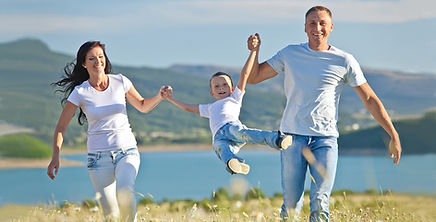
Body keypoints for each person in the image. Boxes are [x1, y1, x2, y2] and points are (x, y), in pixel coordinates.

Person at [246, 6, 402, 221]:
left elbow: (369, 99)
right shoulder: (290, 53)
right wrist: (254, 52)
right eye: (312, 23)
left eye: (322, 23)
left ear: (331, 27)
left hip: (326, 140)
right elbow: (254, 77)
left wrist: (393, 134)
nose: (317, 28)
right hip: (291, 138)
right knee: (292, 203)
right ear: (304, 27)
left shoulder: (344, 60)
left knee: (320, 200)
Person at [47, 41, 165, 221]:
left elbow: (142, 106)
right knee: (110, 214)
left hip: (127, 151)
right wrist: (55, 156)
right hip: (97, 158)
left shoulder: (120, 81)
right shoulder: (80, 92)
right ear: (84, 64)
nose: (98, 61)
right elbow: (61, 128)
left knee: (125, 193)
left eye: (100, 57)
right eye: (92, 58)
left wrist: (159, 96)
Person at [161, 37, 293, 175]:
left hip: (231, 128)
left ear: (231, 88)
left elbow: (245, 74)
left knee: (246, 134)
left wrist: (253, 51)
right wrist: (171, 99)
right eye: (216, 86)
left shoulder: (235, 97)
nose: (221, 88)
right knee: (220, 149)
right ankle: (235, 163)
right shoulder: (210, 108)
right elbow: (188, 107)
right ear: (212, 92)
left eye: (225, 85)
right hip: (218, 138)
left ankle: (277, 139)